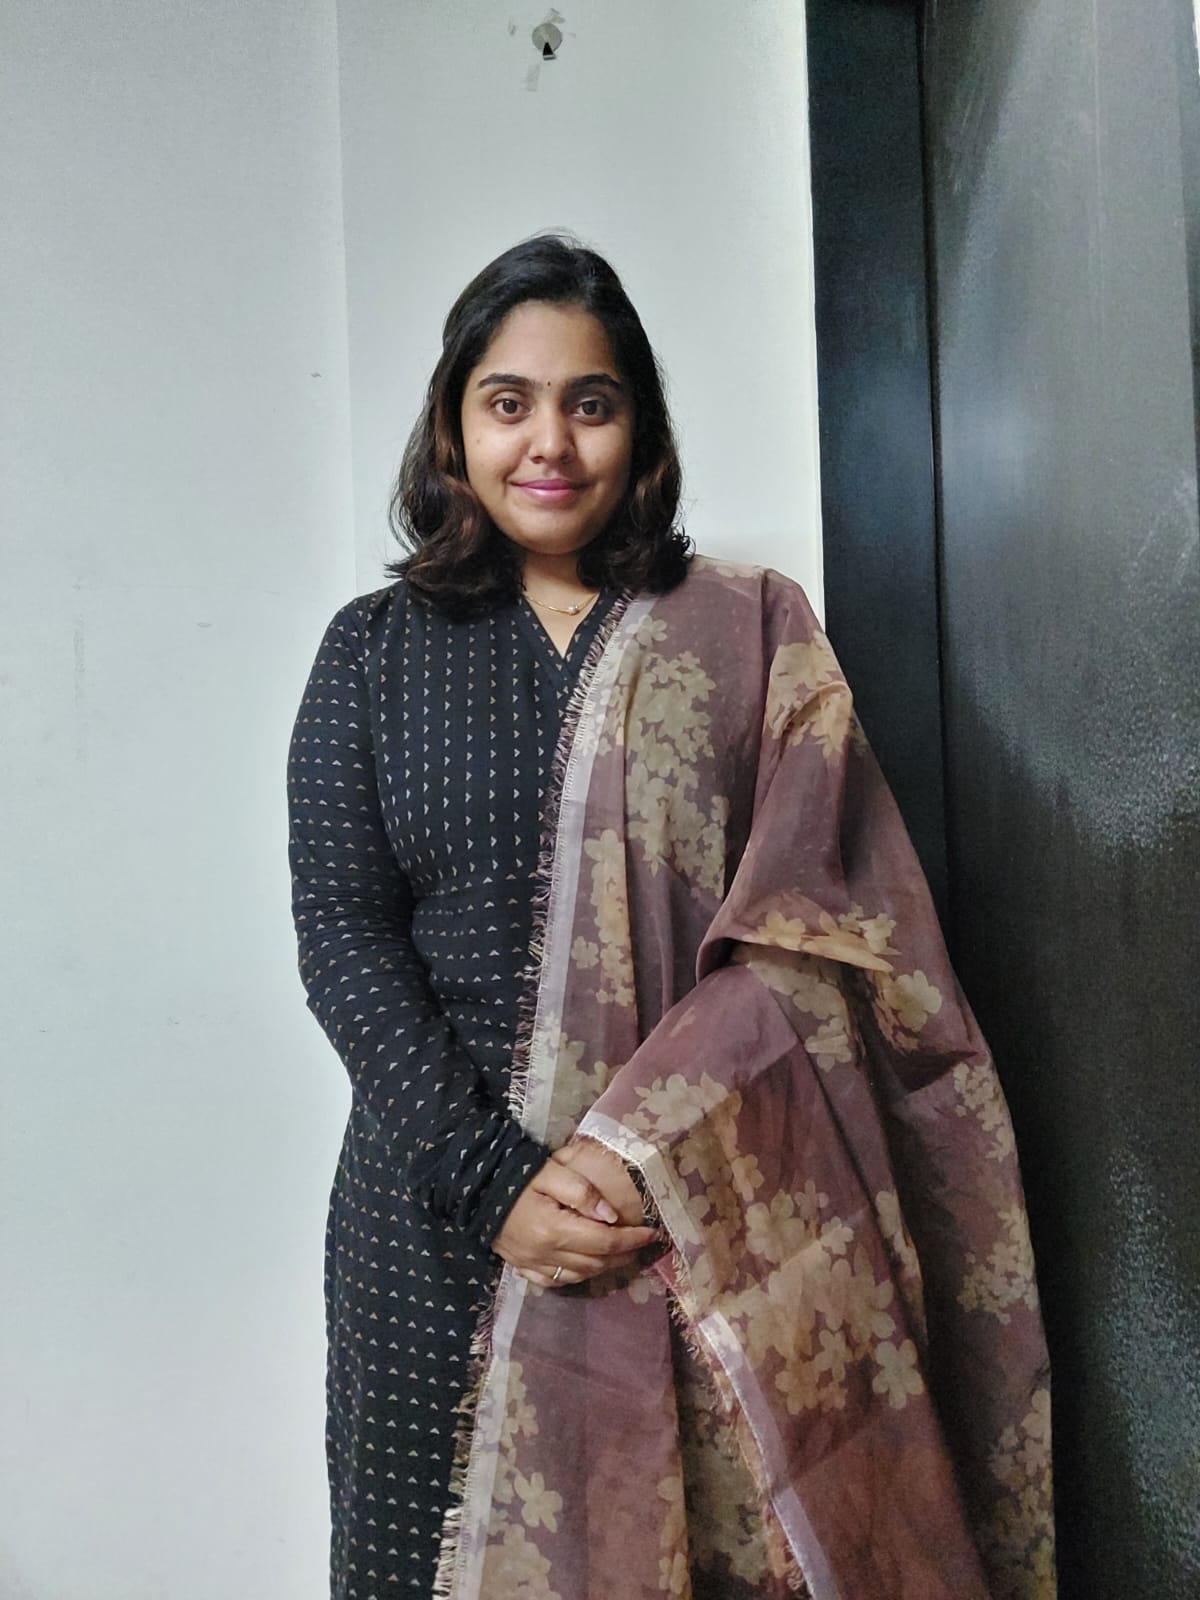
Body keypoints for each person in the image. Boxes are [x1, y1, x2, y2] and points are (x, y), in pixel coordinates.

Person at [288, 235, 1055, 1600]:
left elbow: (818, 930)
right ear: (453, 430)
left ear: (639, 429)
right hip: (433, 1226)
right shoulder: (372, 652)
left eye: (590, 403)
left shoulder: (745, 630)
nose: (550, 442)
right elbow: (344, 938)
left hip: (691, 1224)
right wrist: (496, 1184)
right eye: (508, 402)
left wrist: (643, 1149)